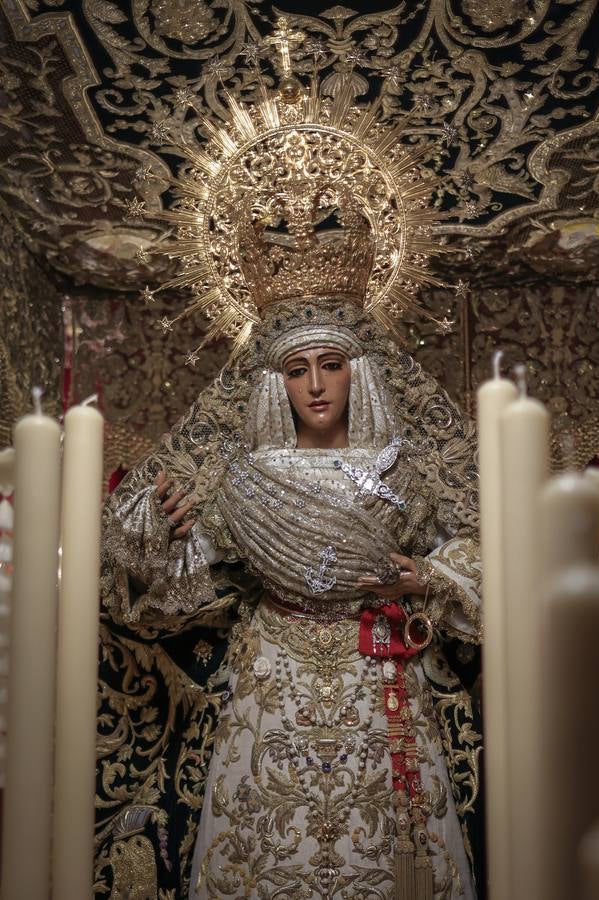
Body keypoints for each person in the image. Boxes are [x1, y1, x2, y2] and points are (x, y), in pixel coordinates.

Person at [94, 47, 485, 900]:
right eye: (298, 367)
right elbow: (171, 599)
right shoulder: (244, 477)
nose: (315, 384)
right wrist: (167, 533)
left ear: (361, 372)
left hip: (380, 677)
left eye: (331, 365)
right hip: (269, 683)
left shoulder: (406, 473)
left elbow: (492, 557)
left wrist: (430, 579)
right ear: (275, 379)